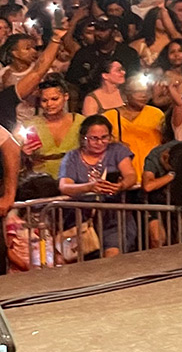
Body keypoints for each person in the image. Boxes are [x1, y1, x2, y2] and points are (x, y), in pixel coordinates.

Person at [58, 114, 138, 257]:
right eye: (94, 138)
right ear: (84, 137)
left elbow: (131, 175)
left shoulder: (117, 150)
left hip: (114, 217)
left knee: (112, 254)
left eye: (104, 137)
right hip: (82, 219)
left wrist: (120, 186)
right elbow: (65, 186)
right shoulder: (72, 157)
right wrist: (89, 187)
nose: (100, 142)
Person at [21, 77, 84, 179]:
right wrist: (23, 153)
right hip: (42, 179)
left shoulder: (80, 122)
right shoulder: (30, 125)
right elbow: (16, 159)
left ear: (66, 97)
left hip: (75, 176)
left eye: (54, 99)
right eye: (44, 100)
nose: (49, 104)